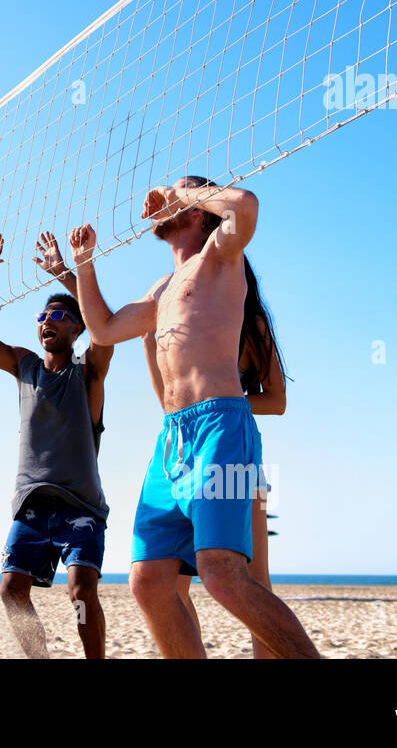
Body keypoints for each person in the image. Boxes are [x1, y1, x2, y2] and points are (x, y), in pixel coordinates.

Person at [71, 175, 318, 658]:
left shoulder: (220, 258)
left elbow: (245, 204)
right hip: (171, 439)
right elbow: (101, 328)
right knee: (148, 581)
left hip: (220, 426)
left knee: (223, 573)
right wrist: (84, 263)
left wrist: (181, 193)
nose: (164, 194)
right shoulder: (162, 289)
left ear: (197, 211)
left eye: (180, 191)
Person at [0, 231, 113, 658]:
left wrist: (65, 272)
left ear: (77, 329)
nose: (49, 320)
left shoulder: (88, 374)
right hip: (31, 506)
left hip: (80, 507)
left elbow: (105, 325)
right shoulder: (25, 365)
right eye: (44, 315)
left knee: (81, 593)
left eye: (61, 315)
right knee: (11, 592)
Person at [140, 257, 287, 657]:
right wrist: (149, 340)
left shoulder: (250, 323)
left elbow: (277, 401)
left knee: (252, 581)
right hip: (183, 448)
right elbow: (167, 407)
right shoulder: (177, 324)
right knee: (166, 585)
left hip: (233, 447)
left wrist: (222, 400)